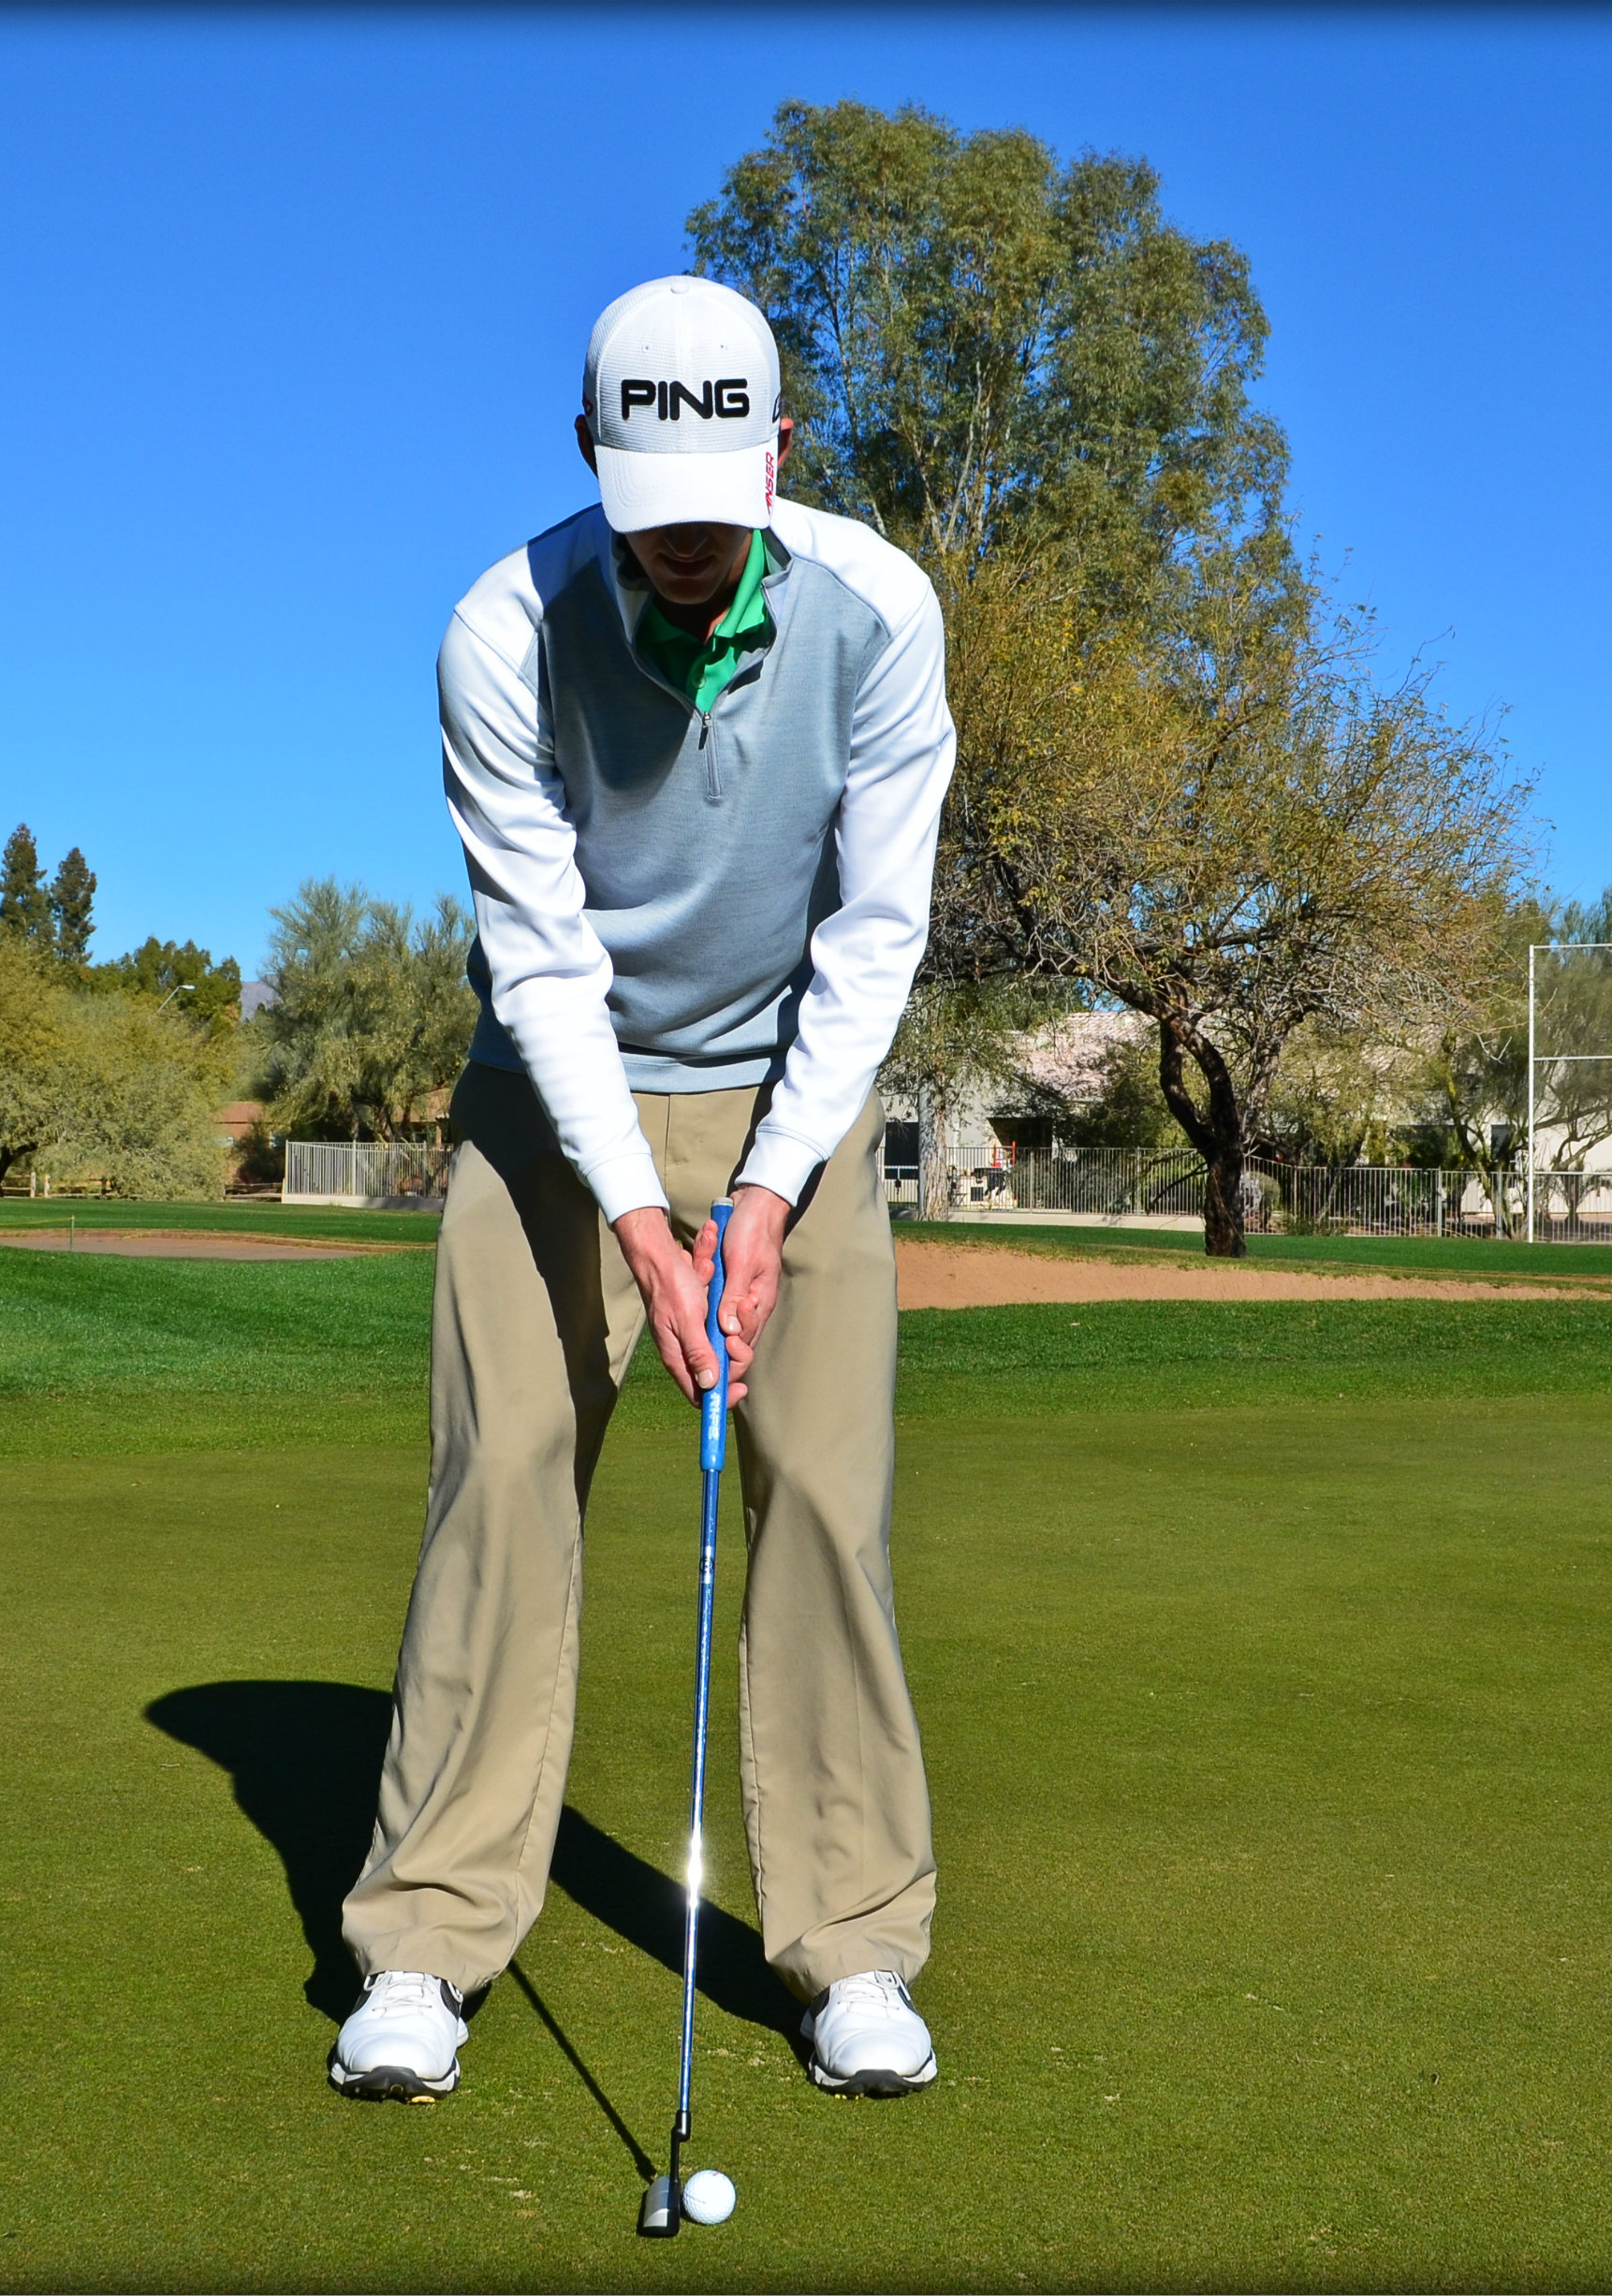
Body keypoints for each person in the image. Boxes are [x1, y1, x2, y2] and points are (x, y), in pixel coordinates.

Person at [328, 274, 957, 2105]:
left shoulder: (880, 613)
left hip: (794, 1088)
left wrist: (763, 1195)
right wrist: (634, 1217)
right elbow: (539, 958)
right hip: (554, 1097)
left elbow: (875, 931)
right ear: (587, 451)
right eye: (645, 496)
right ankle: (426, 1941)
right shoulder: (497, 628)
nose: (681, 541)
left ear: (780, 449)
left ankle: (852, 1946)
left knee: (820, 1497)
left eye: (716, 495)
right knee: (501, 1483)